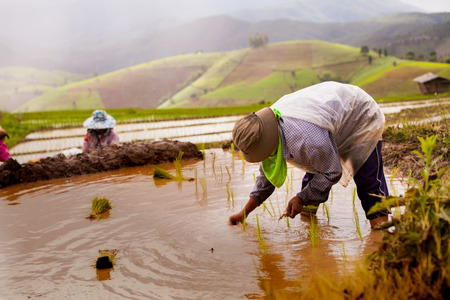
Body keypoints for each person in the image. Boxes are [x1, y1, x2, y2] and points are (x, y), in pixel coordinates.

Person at [229, 81, 389, 228]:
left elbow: (331, 172)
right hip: (325, 121)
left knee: (369, 185)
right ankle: (310, 230)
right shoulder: (267, 132)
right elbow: (265, 181)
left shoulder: (308, 140)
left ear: (265, 144)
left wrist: (301, 198)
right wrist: (244, 213)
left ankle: (382, 235)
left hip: (360, 117)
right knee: (311, 183)